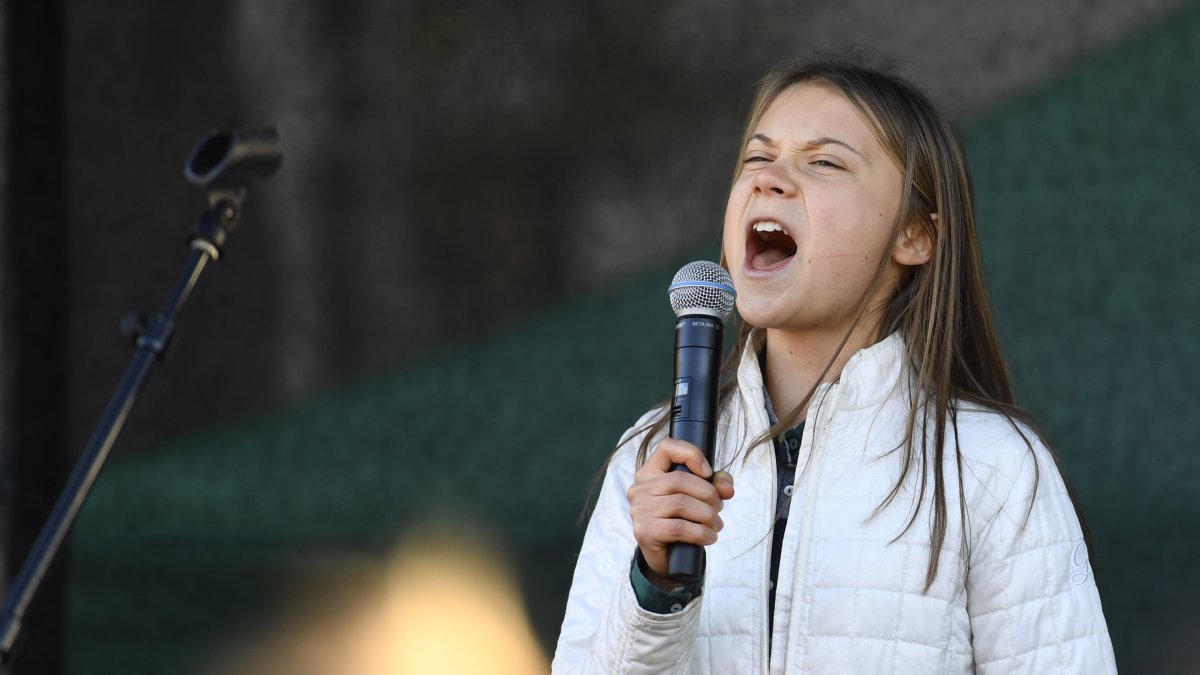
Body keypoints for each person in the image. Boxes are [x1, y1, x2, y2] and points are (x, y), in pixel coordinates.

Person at [551, 57, 1117, 674]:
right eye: (756, 159)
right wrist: (656, 588)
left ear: (915, 236)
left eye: (824, 162)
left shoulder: (992, 466)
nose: (771, 180)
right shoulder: (652, 456)